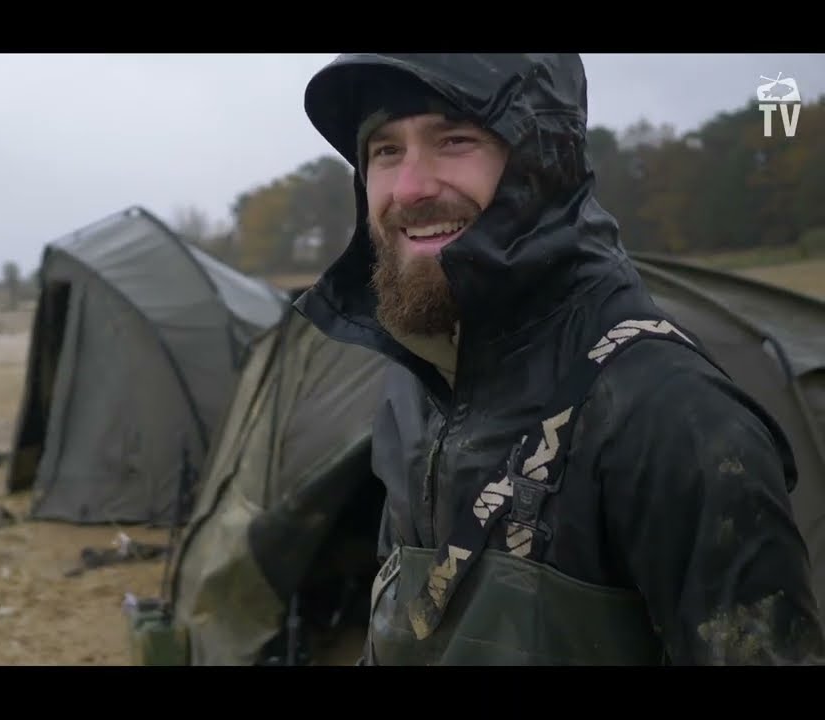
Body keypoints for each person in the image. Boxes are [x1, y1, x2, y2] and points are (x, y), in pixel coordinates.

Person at [292, 53, 825, 665]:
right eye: (386, 151)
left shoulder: (674, 418)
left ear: (544, 158)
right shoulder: (417, 382)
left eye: (455, 140)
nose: (409, 188)